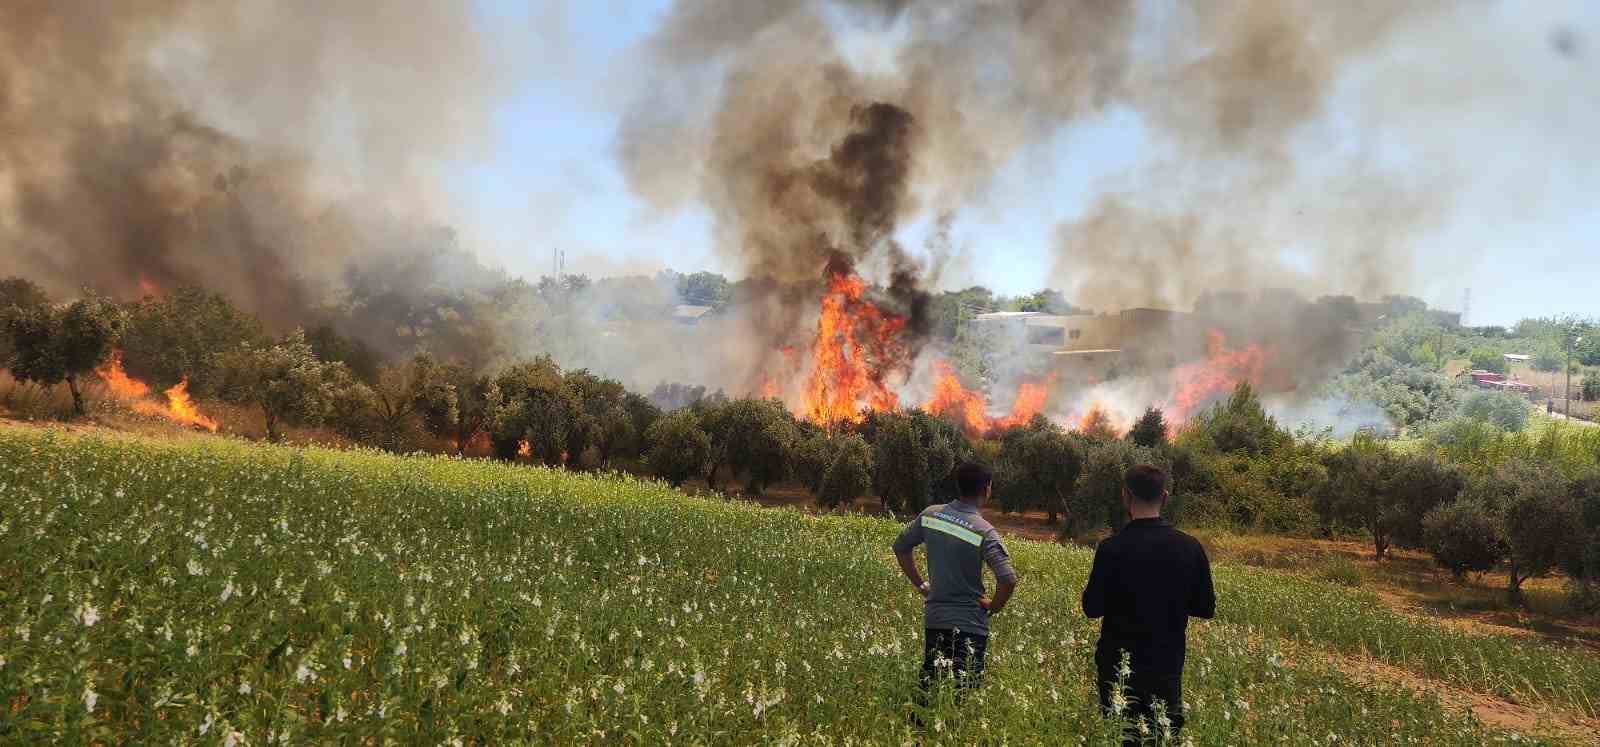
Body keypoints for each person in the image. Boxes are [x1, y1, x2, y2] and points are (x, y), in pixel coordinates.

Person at [1082, 464, 1215, 741]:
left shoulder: (1111, 548)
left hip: (1117, 667)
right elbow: (1205, 608)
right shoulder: (1190, 547)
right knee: (1162, 736)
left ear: (1124, 496)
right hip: (1164, 666)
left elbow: (1091, 608)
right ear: (1165, 497)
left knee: (1123, 736)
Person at [893, 462, 1018, 704]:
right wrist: (994, 606)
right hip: (971, 624)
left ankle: (917, 733)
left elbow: (901, 547)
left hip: (936, 618)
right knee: (964, 697)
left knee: (928, 688)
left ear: (958, 486)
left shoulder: (930, 515)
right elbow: (1008, 579)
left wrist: (921, 585)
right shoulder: (985, 531)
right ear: (987, 489)